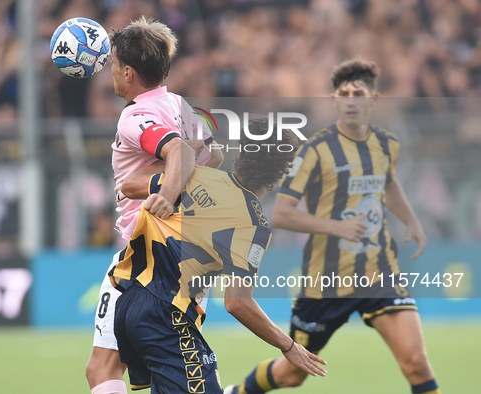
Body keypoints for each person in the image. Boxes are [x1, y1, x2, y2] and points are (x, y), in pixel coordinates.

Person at [225, 58, 440, 394]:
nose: (350, 100)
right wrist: (339, 228)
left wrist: (411, 220)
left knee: (416, 362)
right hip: (325, 280)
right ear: (334, 100)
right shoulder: (314, 151)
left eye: (357, 93)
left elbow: (388, 182)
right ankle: (237, 392)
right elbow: (281, 213)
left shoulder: (386, 144)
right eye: (343, 93)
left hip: (378, 272)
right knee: (291, 374)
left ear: (374, 99)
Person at [110, 118, 328, 394]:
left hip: (130, 303)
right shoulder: (253, 225)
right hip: (167, 314)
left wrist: (182, 153)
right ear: (281, 174)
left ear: (240, 153)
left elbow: (129, 186)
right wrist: (289, 345)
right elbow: (237, 302)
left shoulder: (197, 176)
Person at [85, 16, 223, 394]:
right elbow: (215, 155)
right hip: (187, 253)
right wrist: (173, 172)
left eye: (113, 65)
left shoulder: (135, 116)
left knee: (103, 370)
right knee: (174, 368)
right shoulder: (179, 104)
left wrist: (165, 191)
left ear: (129, 72)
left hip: (145, 257)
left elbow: (176, 147)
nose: (109, 72)